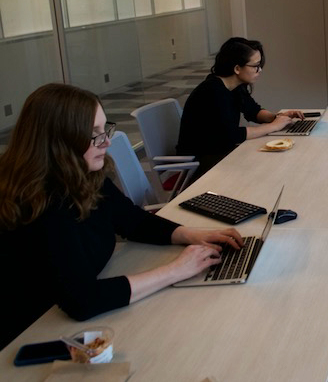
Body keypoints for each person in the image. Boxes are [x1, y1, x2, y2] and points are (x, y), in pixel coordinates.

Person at [0, 84, 244, 350]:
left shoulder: (83, 173)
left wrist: (193, 234)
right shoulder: (40, 203)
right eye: (93, 134)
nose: (106, 141)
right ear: (59, 141)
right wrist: (175, 270)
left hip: (74, 319)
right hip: (32, 336)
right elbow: (83, 301)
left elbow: (133, 221)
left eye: (104, 129)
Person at [177, 37, 305, 179]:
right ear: (237, 68)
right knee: (260, 169)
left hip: (219, 151)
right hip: (201, 161)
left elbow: (253, 111)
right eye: (255, 66)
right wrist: (273, 127)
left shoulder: (235, 86)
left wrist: (278, 117)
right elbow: (231, 135)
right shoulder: (213, 91)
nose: (260, 70)